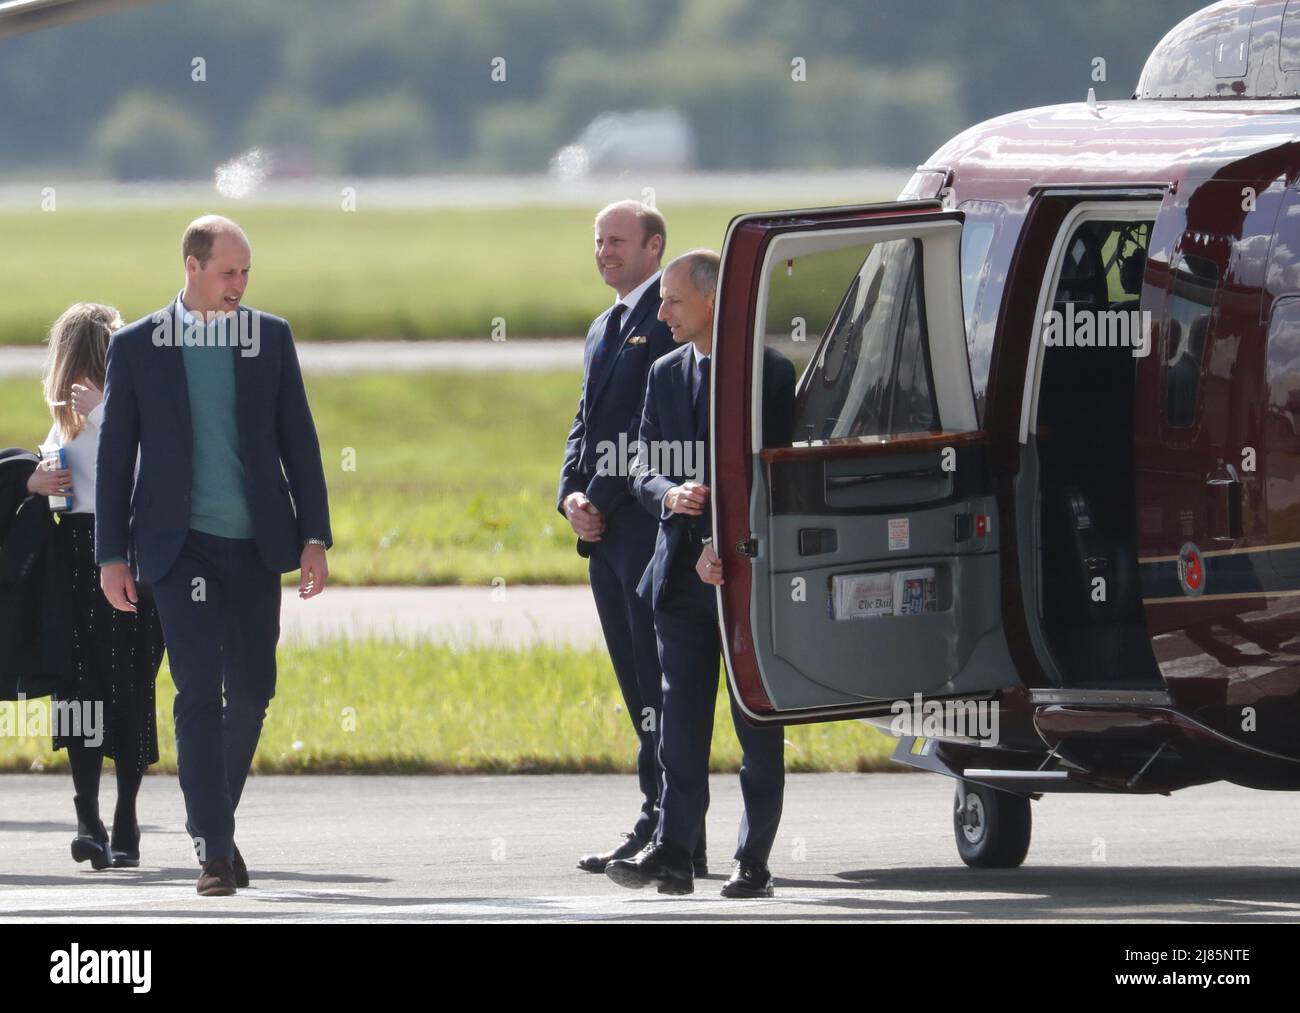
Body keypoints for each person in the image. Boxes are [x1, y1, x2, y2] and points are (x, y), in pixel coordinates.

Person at [96, 215, 333, 897]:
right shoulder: (138, 345)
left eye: (247, 273)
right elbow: (116, 458)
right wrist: (112, 553)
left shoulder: (270, 338)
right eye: (229, 271)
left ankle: (215, 827)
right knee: (198, 689)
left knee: (254, 688)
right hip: (178, 547)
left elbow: (301, 441)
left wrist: (313, 534)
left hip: (256, 542)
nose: (240, 284)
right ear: (193, 268)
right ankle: (215, 853)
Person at [607, 250, 794, 898]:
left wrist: (733, 550)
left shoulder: (769, 374)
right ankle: (676, 853)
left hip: (747, 581)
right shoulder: (663, 373)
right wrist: (668, 494)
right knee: (679, 724)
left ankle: (754, 862)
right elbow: (640, 464)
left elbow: (780, 478)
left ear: (712, 300)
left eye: (673, 301)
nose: (661, 314)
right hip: (683, 578)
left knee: (755, 727)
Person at [557, 201, 707, 875]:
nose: (604, 251)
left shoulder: (669, 319)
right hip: (603, 535)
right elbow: (585, 424)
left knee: (660, 685)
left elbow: (650, 433)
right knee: (635, 687)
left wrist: (605, 496)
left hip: (648, 531)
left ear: (654, 247)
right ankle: (655, 813)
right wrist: (570, 495)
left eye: (617, 241)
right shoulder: (603, 326)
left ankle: (675, 829)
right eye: (598, 241)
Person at [26, 303, 166, 870]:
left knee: (120, 685)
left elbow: (149, 464)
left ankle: (120, 817)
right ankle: (93, 817)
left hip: (121, 554)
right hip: (81, 555)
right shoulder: (65, 419)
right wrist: (41, 479)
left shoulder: (123, 410)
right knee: (86, 688)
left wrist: (105, 411)